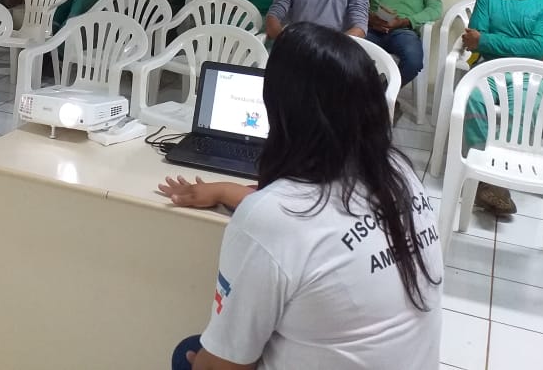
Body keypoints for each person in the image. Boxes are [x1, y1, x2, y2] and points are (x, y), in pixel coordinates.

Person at [161, 23, 442, 370]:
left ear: (280, 110)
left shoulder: (272, 218)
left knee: (188, 355)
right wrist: (221, 190)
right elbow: (313, 221)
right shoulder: (398, 173)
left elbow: (222, 365)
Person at [461, 0, 543, 216]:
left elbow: (538, 47)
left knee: (527, 104)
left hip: (528, 73)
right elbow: (472, 39)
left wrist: (489, 40)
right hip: (488, 68)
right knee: (473, 96)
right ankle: (484, 175)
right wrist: (512, 44)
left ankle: (501, 176)